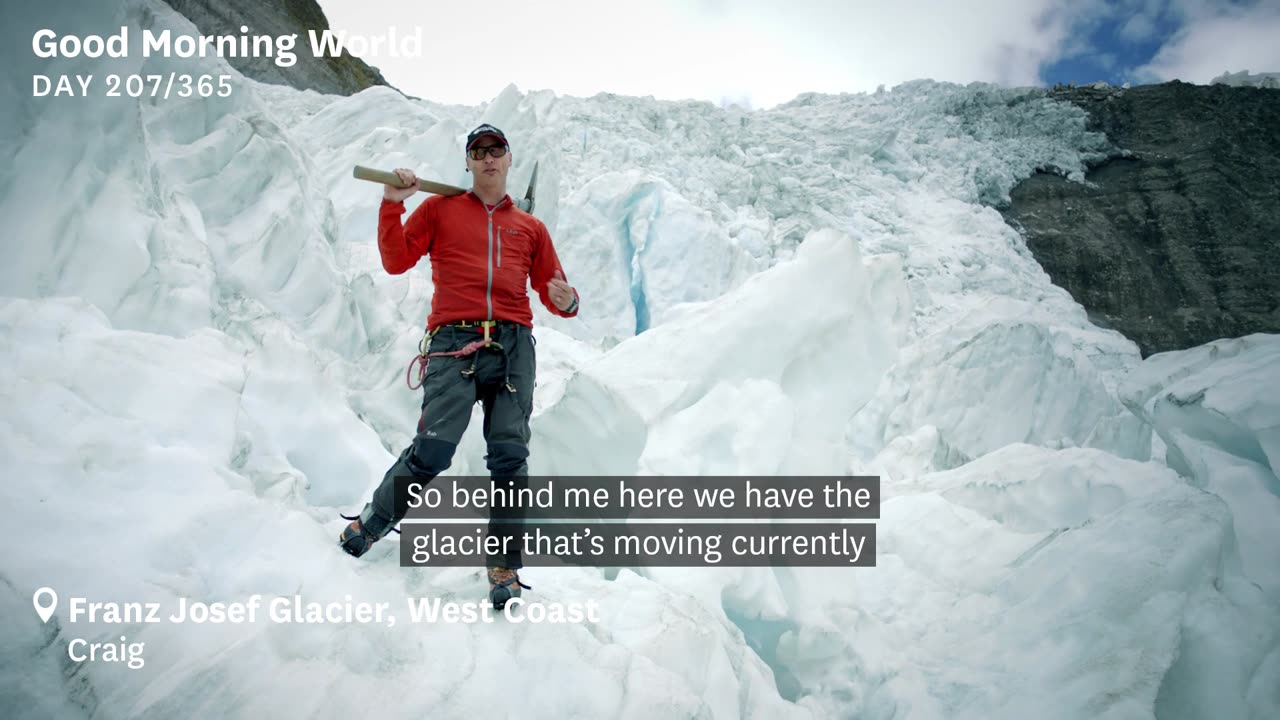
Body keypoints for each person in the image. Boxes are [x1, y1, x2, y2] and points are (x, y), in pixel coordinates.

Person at [340, 123, 579, 608]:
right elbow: (395, 260)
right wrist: (392, 202)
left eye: (496, 150)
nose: (488, 157)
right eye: (478, 151)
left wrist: (568, 300)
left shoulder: (531, 228)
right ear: (467, 163)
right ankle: (371, 522)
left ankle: (505, 568)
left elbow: (557, 293)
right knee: (433, 450)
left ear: (508, 159)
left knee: (510, 458)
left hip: (513, 346)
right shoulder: (438, 209)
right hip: (455, 342)